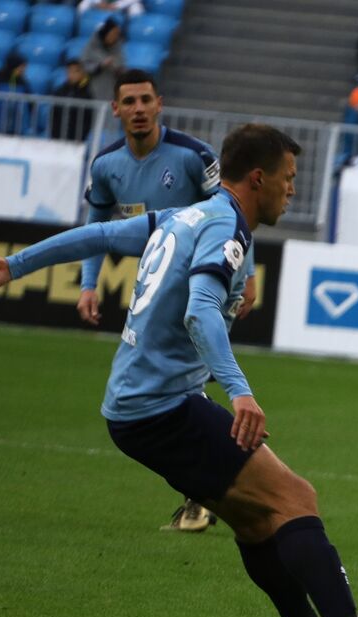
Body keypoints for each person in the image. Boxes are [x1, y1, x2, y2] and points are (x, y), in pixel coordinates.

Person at [0, 124, 358, 617]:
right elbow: (200, 310)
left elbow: (97, 236)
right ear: (258, 179)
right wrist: (238, 387)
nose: (292, 191)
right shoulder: (224, 226)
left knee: (254, 517)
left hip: (135, 408)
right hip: (162, 407)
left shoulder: (184, 215)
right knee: (294, 497)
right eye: (288, 180)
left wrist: (13, 268)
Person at [80, 70, 256, 532]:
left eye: (145, 100)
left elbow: (234, 212)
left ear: (161, 104)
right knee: (176, 387)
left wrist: (248, 273)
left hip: (203, 278)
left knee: (187, 383)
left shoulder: (193, 156)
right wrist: (87, 282)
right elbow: (97, 223)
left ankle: (205, 496)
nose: (138, 109)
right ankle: (208, 493)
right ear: (115, 109)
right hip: (155, 283)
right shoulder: (105, 165)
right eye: (128, 101)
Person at [80, 16, 126, 103]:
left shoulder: (118, 48)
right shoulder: (91, 47)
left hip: (112, 90)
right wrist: (101, 65)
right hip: (92, 90)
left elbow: (122, 65)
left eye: (117, 34)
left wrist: (117, 68)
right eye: (113, 34)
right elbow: (85, 66)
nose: (115, 37)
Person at [49, 59, 95, 142]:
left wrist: (82, 136)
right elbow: (54, 115)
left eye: (75, 72)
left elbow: (88, 119)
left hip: (78, 139)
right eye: (69, 72)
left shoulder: (88, 92)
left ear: (82, 73)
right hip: (58, 137)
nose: (72, 75)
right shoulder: (59, 91)